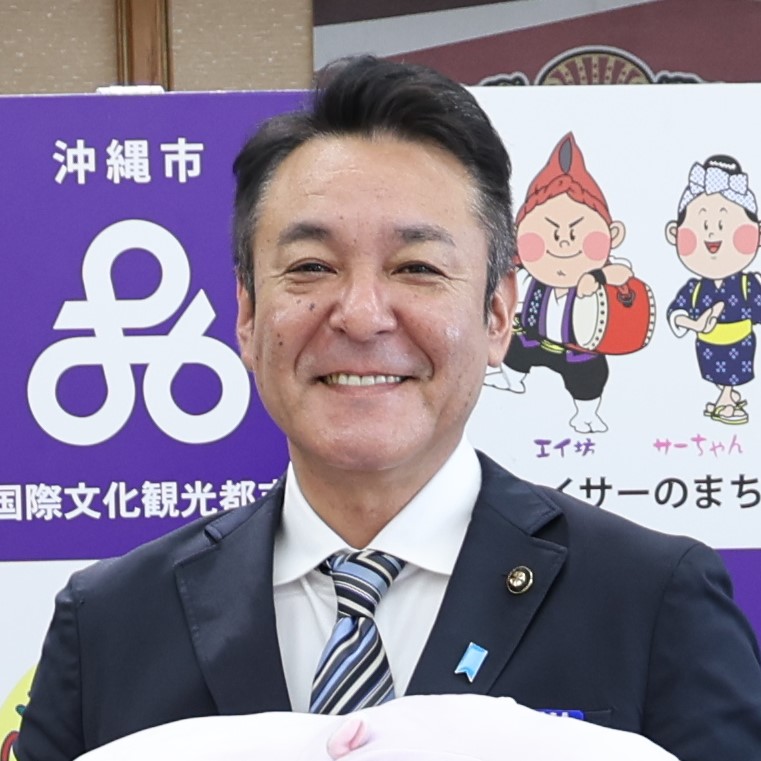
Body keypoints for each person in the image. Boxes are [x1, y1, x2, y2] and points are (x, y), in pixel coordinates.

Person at [15, 56, 761, 761]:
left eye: (417, 267)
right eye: (311, 266)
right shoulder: (108, 623)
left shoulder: (652, 601)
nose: (363, 315)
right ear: (246, 313)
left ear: (498, 314)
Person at [666, 154, 761, 425]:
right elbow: (676, 312)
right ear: (675, 234)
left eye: (723, 226)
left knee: (731, 377)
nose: (712, 235)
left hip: (739, 343)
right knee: (717, 376)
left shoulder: (748, 284)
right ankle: (725, 398)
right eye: (703, 226)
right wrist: (694, 323)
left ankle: (726, 401)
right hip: (707, 344)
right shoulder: (695, 288)